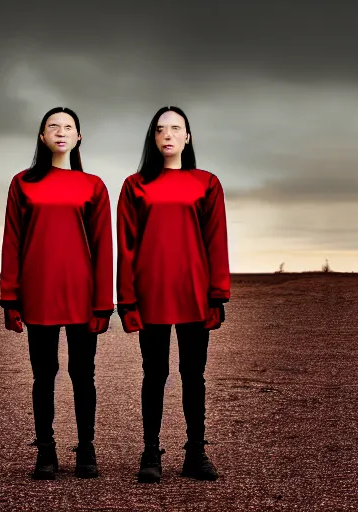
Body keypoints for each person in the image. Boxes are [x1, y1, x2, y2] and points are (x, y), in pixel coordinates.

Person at [116, 106, 230, 483]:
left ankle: (195, 453)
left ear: (188, 137)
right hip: (151, 295)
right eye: (161, 129)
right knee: (155, 373)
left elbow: (216, 242)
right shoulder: (135, 186)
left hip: (195, 294)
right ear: (153, 138)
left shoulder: (207, 183)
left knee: (193, 375)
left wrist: (218, 296)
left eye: (175, 128)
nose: (168, 135)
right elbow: (126, 246)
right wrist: (126, 300)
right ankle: (151, 452)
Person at [0, 107, 114, 480]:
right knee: (43, 374)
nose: (61, 132)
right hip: (38, 295)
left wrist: (103, 304)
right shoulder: (22, 183)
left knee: (84, 374)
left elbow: (103, 248)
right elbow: (12, 242)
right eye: (53, 127)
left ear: (79, 137)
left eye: (69, 127)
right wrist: (10, 298)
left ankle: (86, 451)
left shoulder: (93, 185)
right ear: (41, 137)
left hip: (83, 296)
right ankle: (45, 452)